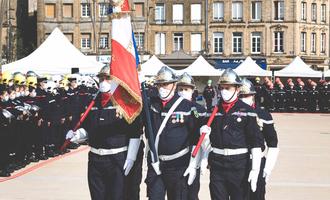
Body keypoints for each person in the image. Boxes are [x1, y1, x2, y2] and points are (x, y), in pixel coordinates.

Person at [66, 66, 142, 200]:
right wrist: (77, 135)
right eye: (101, 78)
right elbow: (89, 128)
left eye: (107, 78)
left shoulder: (124, 102)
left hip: (117, 158)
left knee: (117, 196)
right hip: (96, 159)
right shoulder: (93, 102)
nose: (103, 81)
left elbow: (135, 132)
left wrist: (131, 157)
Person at [200, 69, 263, 200]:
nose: (224, 91)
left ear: (237, 89)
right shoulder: (213, 111)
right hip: (217, 164)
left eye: (228, 88)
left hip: (239, 164)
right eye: (222, 88)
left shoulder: (248, 111)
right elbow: (207, 141)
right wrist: (204, 156)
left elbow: (255, 142)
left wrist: (255, 169)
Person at [144, 66, 205, 200]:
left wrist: (195, 164)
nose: (162, 88)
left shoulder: (187, 107)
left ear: (173, 85)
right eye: (159, 84)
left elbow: (195, 138)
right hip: (156, 163)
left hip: (178, 165)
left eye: (165, 84)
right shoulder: (151, 104)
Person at [239, 78, 279, 200]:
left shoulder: (263, 115)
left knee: (257, 195)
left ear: (253, 96)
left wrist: (268, 168)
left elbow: (273, 143)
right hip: (237, 162)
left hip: (257, 160)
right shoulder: (231, 114)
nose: (243, 99)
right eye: (240, 96)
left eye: (246, 95)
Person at [177, 72, 207, 200]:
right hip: (177, 156)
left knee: (192, 191)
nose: (183, 92)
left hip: (193, 153)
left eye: (186, 89)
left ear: (192, 90)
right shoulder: (171, 108)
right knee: (179, 191)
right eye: (181, 89)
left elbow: (203, 139)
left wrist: (203, 158)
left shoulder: (199, 109)